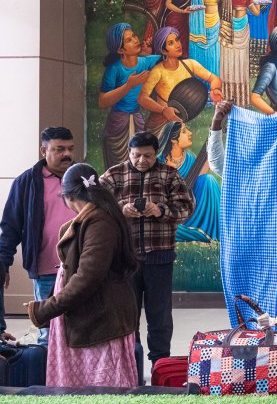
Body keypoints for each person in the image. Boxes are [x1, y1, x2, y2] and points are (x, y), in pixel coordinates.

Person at [208, 101, 277, 331]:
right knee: (254, 336)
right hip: (251, 270)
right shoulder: (237, 180)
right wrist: (217, 122)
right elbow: (217, 161)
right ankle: (259, 370)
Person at [27, 163, 139, 387]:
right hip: (89, 316)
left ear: (67, 196)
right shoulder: (95, 218)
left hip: (100, 321)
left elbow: (88, 277)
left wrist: (46, 308)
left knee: (103, 390)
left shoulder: (99, 222)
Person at [100, 131, 193, 366]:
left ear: (157, 154)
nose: (142, 160)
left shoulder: (169, 174)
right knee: (126, 316)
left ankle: (160, 365)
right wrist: (120, 209)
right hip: (124, 259)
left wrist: (160, 210)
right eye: (136, 155)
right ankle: (131, 365)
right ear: (129, 153)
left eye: (148, 156)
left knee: (159, 317)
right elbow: (94, 205)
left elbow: (186, 209)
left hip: (160, 258)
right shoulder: (114, 174)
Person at [0, 127, 78, 345]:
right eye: (59, 149)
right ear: (43, 150)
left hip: (82, 268)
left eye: (70, 148)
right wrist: (3, 263)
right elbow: (11, 226)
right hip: (45, 270)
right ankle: (48, 377)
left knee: (81, 328)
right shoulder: (26, 182)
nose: (67, 154)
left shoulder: (83, 178)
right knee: (48, 333)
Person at [99, 23, 160, 170]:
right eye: (128, 40)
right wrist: (129, 85)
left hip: (137, 119)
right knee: (119, 168)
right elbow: (102, 101)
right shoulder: (114, 69)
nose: (135, 39)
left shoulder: (146, 62)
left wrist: (148, 52)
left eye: (133, 36)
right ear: (120, 50)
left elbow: (168, 59)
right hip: (118, 124)